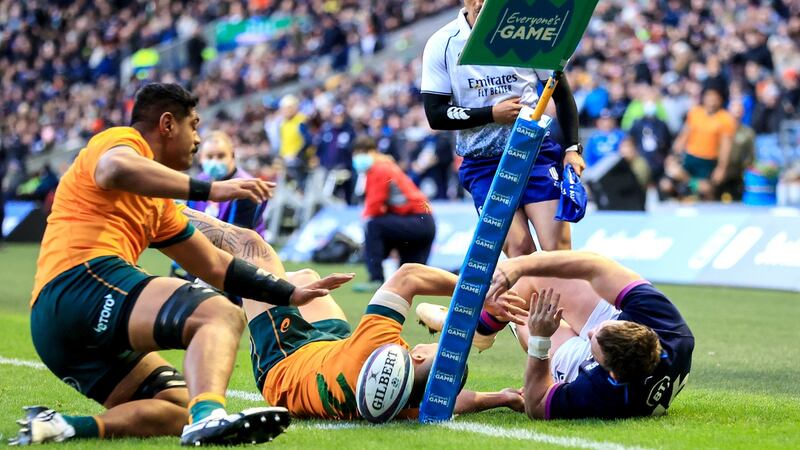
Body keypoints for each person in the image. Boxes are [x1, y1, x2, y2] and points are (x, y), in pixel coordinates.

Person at [11, 83, 349, 446]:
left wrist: (289, 292)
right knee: (218, 314)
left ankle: (62, 427)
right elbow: (113, 169)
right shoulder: (120, 141)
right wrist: (211, 190)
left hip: (57, 332)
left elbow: (217, 267)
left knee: (175, 406)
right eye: (195, 125)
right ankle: (210, 419)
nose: (199, 139)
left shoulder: (157, 205)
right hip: (79, 283)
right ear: (168, 124)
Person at [179, 208, 526, 420]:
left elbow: (409, 275)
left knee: (248, 244)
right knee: (305, 279)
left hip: (283, 364)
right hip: (331, 350)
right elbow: (449, 402)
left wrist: (477, 295)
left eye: (440, 347)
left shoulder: (376, 345)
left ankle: (160, 209)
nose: (439, 342)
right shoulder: (403, 402)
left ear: (418, 355)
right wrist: (500, 397)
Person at [420, 0, 584, 348]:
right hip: (483, 162)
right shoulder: (443, 42)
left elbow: (563, 93)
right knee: (520, 250)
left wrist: (572, 149)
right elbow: (435, 115)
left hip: (534, 153)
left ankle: (556, 328)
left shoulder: (527, 32)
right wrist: (490, 113)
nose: (482, 3)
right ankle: (536, 339)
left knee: (557, 247)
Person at [484, 251, 695, 419]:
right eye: (602, 328)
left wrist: (540, 340)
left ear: (609, 373)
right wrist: (518, 265)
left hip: (595, 369)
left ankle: (488, 320)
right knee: (535, 272)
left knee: (530, 320)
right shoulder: (667, 326)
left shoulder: (602, 391)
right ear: (637, 327)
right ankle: (482, 330)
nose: (590, 331)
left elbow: (535, 404)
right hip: (624, 349)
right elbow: (596, 266)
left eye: (592, 338)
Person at [351, 136, 436, 292]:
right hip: (423, 222)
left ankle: (376, 279)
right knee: (410, 279)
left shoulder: (379, 169)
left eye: (360, 153)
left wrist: (365, 225)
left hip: (416, 220)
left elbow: (374, 206)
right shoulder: (388, 166)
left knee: (373, 225)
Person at [664, 86, 736, 200]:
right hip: (691, 157)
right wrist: (673, 155)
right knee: (668, 180)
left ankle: (693, 187)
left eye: (715, 98)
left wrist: (721, 167)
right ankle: (689, 187)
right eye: (709, 97)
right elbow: (684, 136)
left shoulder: (725, 119)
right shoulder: (695, 113)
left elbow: (725, 147)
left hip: (708, 161)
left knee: (707, 190)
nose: (711, 102)